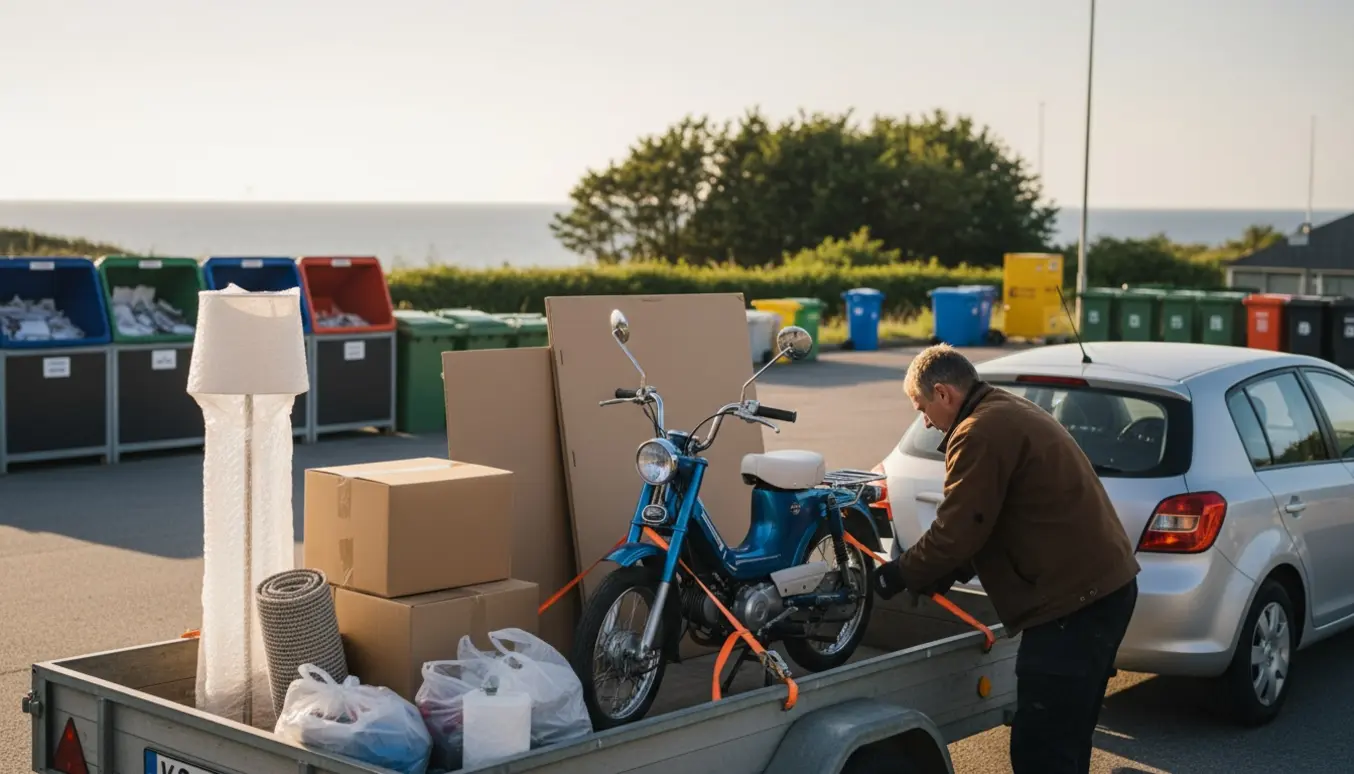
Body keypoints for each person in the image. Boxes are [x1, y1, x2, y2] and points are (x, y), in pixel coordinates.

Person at [873, 344, 1140, 774]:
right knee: (1068, 735)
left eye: (922, 408)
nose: (925, 421)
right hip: (1100, 590)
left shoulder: (977, 432)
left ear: (943, 394)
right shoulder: (1003, 410)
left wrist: (898, 574)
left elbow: (957, 530)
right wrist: (947, 570)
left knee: (1042, 748)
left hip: (1073, 605)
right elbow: (989, 522)